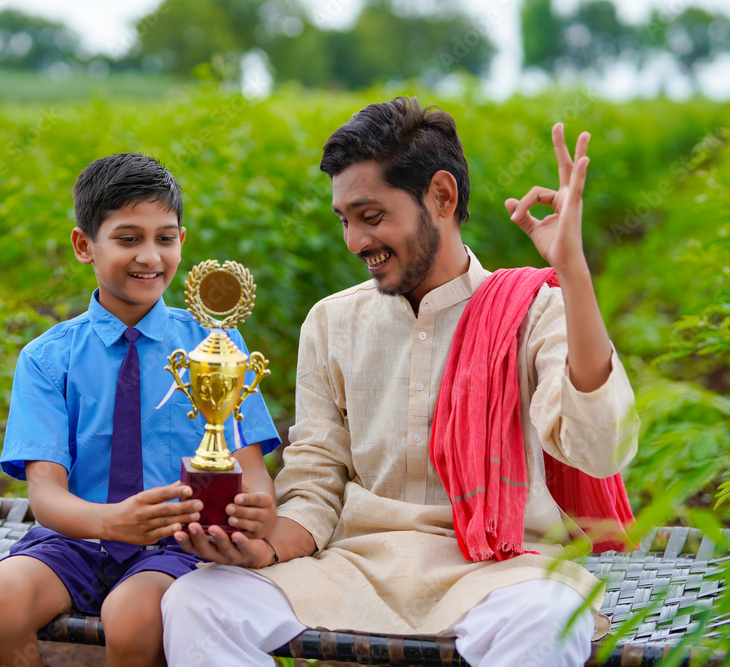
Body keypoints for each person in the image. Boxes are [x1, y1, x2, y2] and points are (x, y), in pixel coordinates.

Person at [161, 98, 640, 667]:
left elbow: (601, 447)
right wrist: (261, 547)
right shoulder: (332, 321)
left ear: (441, 197)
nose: (355, 242)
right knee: (197, 600)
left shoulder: (533, 312)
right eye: (344, 220)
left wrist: (574, 274)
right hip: (356, 567)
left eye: (371, 216)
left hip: (501, 573)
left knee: (546, 622)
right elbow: (315, 478)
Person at [0, 153, 282, 667]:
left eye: (165, 237)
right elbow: (46, 494)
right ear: (84, 245)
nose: (150, 256)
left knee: (132, 617)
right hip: (78, 536)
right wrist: (111, 522)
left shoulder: (214, 345)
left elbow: (252, 473)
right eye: (128, 238)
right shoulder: (48, 359)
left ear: (182, 240)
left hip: (177, 544)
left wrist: (258, 508)